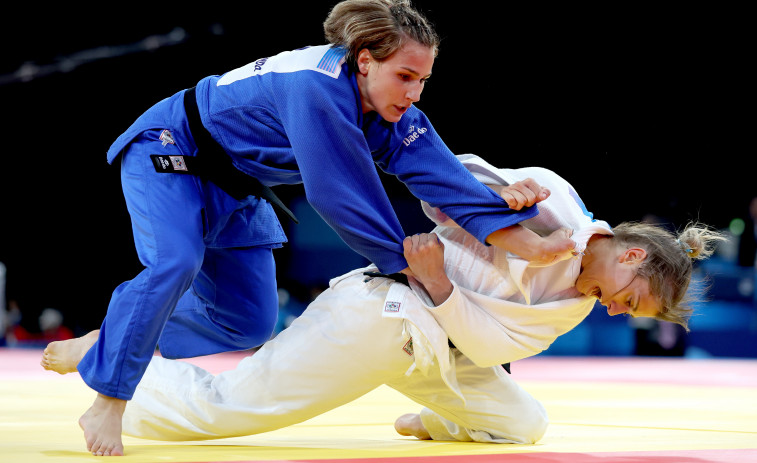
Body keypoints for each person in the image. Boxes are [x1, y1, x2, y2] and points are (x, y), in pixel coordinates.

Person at [39, 1, 567, 456]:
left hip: (238, 184)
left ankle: (106, 342)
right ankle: (109, 397)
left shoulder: (392, 114)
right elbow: (338, 193)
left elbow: (446, 180)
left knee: (246, 322)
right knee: (176, 262)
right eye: (405, 76)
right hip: (174, 148)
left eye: (424, 80)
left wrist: (527, 233)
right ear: (365, 61)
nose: (415, 93)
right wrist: (408, 267)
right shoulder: (317, 87)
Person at [45, 155, 724, 454]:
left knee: (523, 421)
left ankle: (433, 420)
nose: (611, 310)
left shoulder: (573, 303)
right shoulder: (554, 198)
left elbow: (491, 349)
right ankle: (109, 357)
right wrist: (496, 194)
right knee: (227, 408)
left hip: (440, 335)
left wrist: (443, 287)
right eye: (626, 299)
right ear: (631, 255)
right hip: (381, 317)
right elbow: (442, 183)